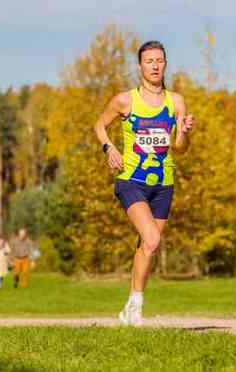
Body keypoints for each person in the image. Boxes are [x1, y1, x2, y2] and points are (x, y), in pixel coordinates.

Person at [94, 40, 194, 326]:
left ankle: (130, 305)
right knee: (152, 239)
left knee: (147, 247)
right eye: (149, 61)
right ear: (140, 66)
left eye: (159, 60)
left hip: (164, 183)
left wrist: (185, 132)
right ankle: (137, 306)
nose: (154, 65)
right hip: (131, 180)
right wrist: (109, 148)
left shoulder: (176, 101)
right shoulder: (125, 100)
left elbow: (181, 148)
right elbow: (99, 125)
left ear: (165, 64)